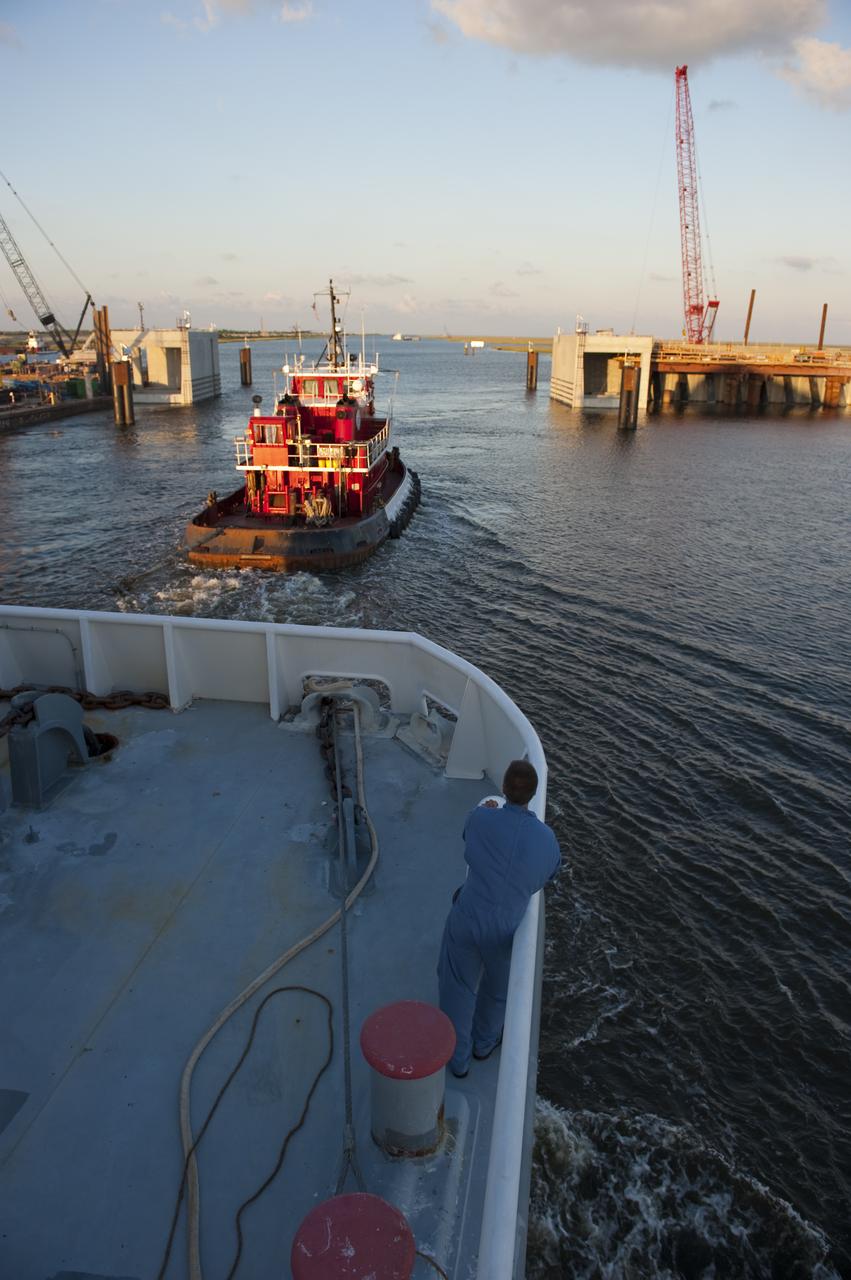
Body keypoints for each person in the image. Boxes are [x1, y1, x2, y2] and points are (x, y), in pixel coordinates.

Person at [437, 759, 561, 1078]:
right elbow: (543, 876)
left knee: (458, 986)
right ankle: (484, 1044)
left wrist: (492, 809)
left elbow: (469, 838)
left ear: (504, 789)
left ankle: (458, 1060)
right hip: (507, 929)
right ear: (532, 795)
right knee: (496, 989)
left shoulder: (481, 817)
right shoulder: (548, 841)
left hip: (468, 917)